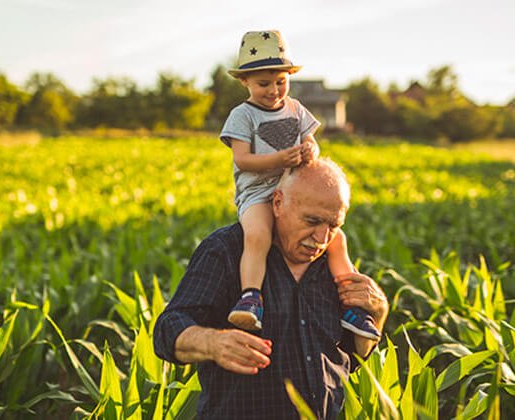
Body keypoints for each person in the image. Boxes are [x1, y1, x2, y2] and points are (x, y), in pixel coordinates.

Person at [153, 159, 389, 419]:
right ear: (278, 203)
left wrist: (377, 314)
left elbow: (348, 359)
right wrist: (213, 343)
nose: (322, 238)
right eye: (312, 221)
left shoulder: (333, 267)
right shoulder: (227, 251)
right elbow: (167, 330)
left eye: (334, 225)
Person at [220, 29, 380, 340]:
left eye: (281, 81)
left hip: (294, 189)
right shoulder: (242, 116)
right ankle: (251, 297)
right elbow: (243, 160)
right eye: (264, 84)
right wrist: (281, 158)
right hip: (258, 193)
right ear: (245, 82)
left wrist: (310, 150)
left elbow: (311, 142)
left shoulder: (294, 108)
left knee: (337, 240)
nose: (274, 90)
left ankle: (354, 309)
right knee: (257, 235)